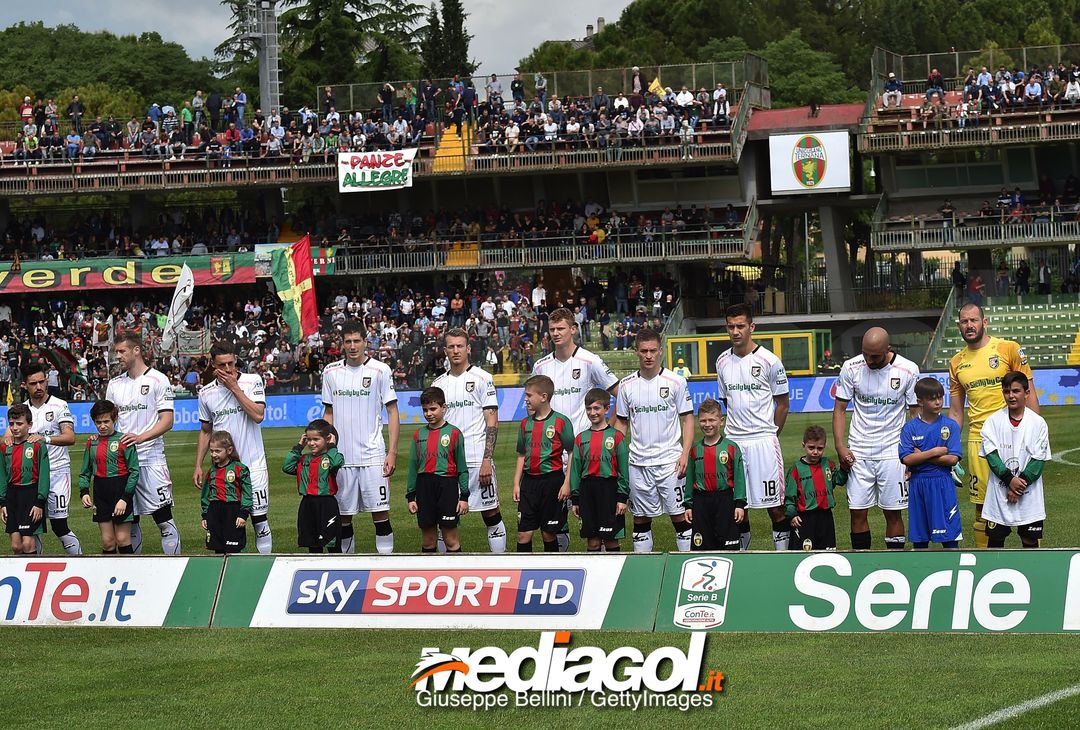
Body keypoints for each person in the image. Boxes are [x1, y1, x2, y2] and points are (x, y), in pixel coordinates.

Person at [948, 303, 1038, 548]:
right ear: (959, 326)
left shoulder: (1008, 349)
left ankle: (1032, 564)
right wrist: (951, 447)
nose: (969, 325)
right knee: (983, 509)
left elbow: (1029, 393)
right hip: (979, 441)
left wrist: (1036, 434)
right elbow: (956, 411)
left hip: (1014, 437)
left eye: (974, 320)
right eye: (964, 322)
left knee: (1023, 501)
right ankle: (984, 567)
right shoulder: (956, 362)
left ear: (984, 322)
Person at [532, 306, 619, 550]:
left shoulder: (590, 361)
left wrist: (606, 431)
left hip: (585, 453)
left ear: (573, 329)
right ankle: (562, 562)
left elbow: (618, 393)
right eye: (552, 329)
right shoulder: (541, 366)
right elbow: (533, 407)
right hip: (551, 454)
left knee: (595, 515)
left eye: (561, 328)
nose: (556, 333)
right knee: (554, 518)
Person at [832, 327, 920, 550]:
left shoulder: (908, 370)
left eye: (875, 356)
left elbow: (915, 414)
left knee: (893, 512)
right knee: (858, 512)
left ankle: (895, 562)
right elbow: (840, 409)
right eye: (865, 354)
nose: (869, 360)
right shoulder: (851, 367)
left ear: (887, 350)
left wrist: (914, 451)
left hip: (893, 451)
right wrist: (841, 446)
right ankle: (863, 564)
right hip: (859, 451)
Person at [715, 303, 790, 551]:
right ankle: (742, 556)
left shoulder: (770, 361)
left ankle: (783, 559)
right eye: (730, 326)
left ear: (752, 327)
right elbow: (726, 400)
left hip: (763, 442)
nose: (735, 331)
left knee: (776, 507)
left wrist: (770, 434)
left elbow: (783, 404)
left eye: (741, 326)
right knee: (738, 508)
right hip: (734, 443)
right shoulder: (722, 361)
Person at [321, 320, 400, 553]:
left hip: (373, 456)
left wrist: (392, 452)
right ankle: (347, 569)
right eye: (348, 342)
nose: (353, 346)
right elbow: (328, 412)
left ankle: (385, 568)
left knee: (381, 514)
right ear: (342, 344)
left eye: (357, 341)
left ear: (366, 342)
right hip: (342, 459)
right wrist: (328, 452)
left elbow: (392, 411)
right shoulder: (331, 372)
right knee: (343, 518)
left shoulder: (380, 370)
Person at [615, 328, 695, 552]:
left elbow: (688, 419)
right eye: (643, 351)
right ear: (636, 353)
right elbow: (621, 423)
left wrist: (685, 454)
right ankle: (644, 568)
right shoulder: (627, 385)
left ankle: (684, 565)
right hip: (638, 464)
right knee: (640, 519)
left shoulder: (676, 382)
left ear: (660, 351)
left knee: (680, 517)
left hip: (670, 463)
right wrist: (616, 456)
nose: (648, 355)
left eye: (652, 351)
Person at [105, 333, 180, 554]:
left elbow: (167, 421)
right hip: (124, 464)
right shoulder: (114, 384)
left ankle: (175, 569)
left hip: (151, 459)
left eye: (121, 351)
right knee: (130, 521)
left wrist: (140, 437)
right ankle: (133, 577)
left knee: (163, 519)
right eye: (116, 351)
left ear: (136, 350)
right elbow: (108, 422)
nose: (117, 356)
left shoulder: (158, 379)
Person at [431, 329, 506, 552]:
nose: (456, 351)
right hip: (448, 465)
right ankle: (448, 571)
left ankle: (500, 566)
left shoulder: (483, 378)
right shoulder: (438, 383)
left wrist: (487, 459)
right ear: (445, 350)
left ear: (468, 348)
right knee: (445, 520)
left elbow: (492, 421)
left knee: (491, 514)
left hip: (476, 459)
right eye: (451, 347)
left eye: (460, 346)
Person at [195, 342, 272, 553]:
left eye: (231, 363)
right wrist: (198, 465)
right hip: (223, 470)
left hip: (253, 464)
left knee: (259, 520)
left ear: (236, 360)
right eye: (222, 365)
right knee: (225, 523)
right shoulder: (206, 393)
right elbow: (205, 430)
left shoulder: (252, 381)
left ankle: (265, 569)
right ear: (213, 365)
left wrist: (235, 388)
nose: (228, 369)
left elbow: (258, 415)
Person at [6, 363, 81, 555]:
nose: (39, 387)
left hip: (56, 473)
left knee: (59, 525)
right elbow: (7, 439)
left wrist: (44, 438)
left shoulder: (59, 405)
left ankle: (80, 562)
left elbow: (70, 437)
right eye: (33, 383)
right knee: (30, 528)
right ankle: (35, 571)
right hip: (30, 479)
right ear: (25, 385)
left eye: (42, 382)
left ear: (47, 381)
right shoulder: (21, 410)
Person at [979, 371, 1050, 548]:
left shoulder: (1038, 423)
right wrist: (1010, 480)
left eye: (1016, 391)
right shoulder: (992, 422)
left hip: (1029, 495)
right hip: (999, 495)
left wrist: (1018, 486)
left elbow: (1038, 460)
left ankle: (1032, 575)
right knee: (995, 542)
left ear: (1027, 393)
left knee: (1030, 540)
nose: (1011, 396)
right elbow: (991, 456)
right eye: (1006, 391)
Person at [899, 378, 963, 550]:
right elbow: (907, 459)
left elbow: (952, 459)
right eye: (932, 398)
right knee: (920, 540)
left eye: (940, 397)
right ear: (920, 401)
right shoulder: (910, 428)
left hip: (942, 483)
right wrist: (935, 452)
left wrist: (922, 455)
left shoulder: (950, 426)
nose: (938, 402)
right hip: (918, 484)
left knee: (949, 538)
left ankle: (954, 571)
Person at [513, 375, 574, 552]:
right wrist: (517, 483)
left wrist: (567, 482)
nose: (526, 399)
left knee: (549, 533)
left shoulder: (561, 421)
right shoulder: (525, 424)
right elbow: (521, 455)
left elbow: (571, 453)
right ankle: (523, 572)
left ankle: (552, 572)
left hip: (552, 482)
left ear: (544, 397)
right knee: (523, 534)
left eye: (529, 395)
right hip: (529, 483)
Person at [405, 387, 469, 553]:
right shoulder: (418, 435)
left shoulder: (454, 433)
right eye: (425, 410)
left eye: (433, 409)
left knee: (450, 539)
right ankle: (429, 575)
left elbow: (462, 468)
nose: (429, 413)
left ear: (444, 407)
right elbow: (413, 467)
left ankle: (456, 575)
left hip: (447, 486)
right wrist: (411, 496)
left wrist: (464, 497)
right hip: (424, 486)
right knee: (428, 540)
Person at [569, 388, 629, 552]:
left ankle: (615, 575)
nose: (592, 412)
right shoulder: (581, 438)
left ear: (606, 409)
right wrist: (575, 498)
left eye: (597, 408)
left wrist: (622, 498)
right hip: (587, 491)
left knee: (611, 541)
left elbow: (624, 470)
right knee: (593, 542)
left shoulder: (617, 437)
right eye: (589, 408)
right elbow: (575, 470)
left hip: (609, 490)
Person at [683, 398, 746, 551]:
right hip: (701, 502)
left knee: (729, 547)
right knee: (702, 547)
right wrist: (688, 504)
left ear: (721, 421)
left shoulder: (731, 447)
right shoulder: (695, 449)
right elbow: (690, 478)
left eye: (712, 420)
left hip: (725, 500)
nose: (707, 424)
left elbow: (739, 478)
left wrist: (739, 505)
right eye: (703, 420)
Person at [78, 399, 139, 554]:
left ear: (115, 419)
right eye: (98, 422)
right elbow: (85, 471)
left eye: (106, 421)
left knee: (123, 539)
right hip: (101, 493)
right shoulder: (91, 443)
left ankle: (130, 576)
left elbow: (134, 472)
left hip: (120, 491)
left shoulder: (124, 441)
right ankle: (108, 576)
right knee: (107, 541)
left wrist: (125, 499)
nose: (102, 426)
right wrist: (84, 492)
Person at [284, 419, 344, 553]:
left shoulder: (331, 458)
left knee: (332, 543)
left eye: (316, 439)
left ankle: (337, 570)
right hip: (307, 505)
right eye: (309, 439)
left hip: (327, 505)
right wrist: (299, 446)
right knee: (313, 544)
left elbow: (336, 463)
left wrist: (332, 446)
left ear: (327, 438)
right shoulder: (304, 459)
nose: (311, 443)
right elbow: (287, 467)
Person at [785, 425, 848, 551]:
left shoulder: (828, 464)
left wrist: (844, 467)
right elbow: (789, 496)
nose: (815, 452)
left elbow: (838, 480)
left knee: (828, 552)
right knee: (804, 553)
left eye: (820, 448)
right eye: (811, 448)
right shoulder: (796, 469)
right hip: (805, 518)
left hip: (826, 517)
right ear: (804, 445)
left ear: (824, 446)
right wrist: (792, 514)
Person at [0, 404, 50, 554]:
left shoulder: (37, 445)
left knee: (28, 544)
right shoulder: (5, 447)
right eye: (12, 424)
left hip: (30, 495)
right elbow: (2, 475)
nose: (15, 428)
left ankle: (33, 575)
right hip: (12, 496)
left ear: (30, 425)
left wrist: (40, 502)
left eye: (19, 424)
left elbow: (44, 475)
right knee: (16, 546)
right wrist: (2, 502)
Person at [200, 431, 252, 554]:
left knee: (233, 547)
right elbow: (205, 495)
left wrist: (243, 513)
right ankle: (220, 572)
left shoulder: (240, 469)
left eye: (217, 451)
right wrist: (205, 515)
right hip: (214, 512)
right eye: (212, 451)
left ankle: (235, 571)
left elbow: (247, 492)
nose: (213, 454)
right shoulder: (211, 471)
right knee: (217, 547)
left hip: (232, 511)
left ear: (229, 450)